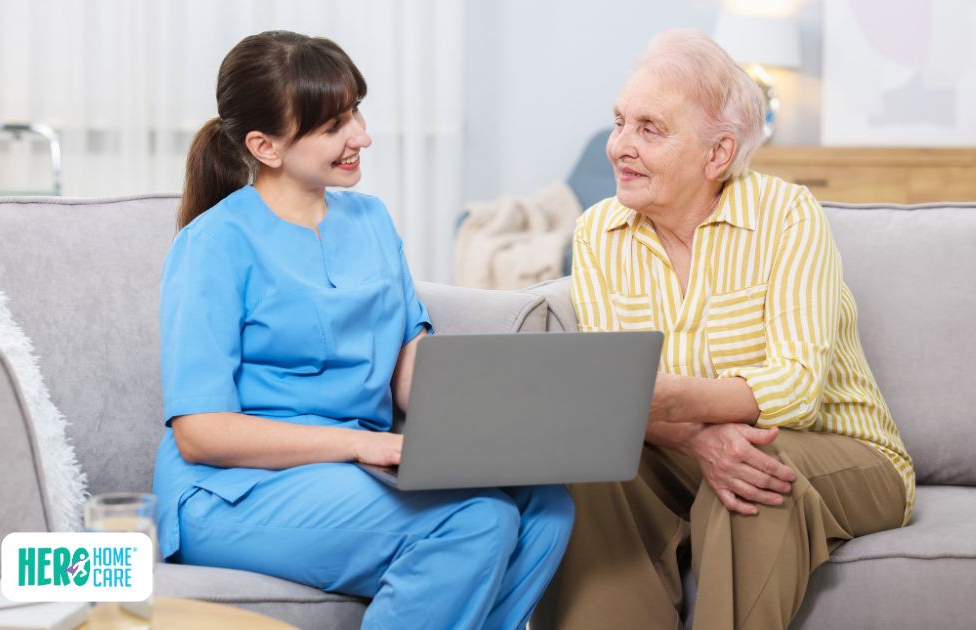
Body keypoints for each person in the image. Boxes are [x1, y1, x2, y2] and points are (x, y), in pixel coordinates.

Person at [153, 31, 573, 630]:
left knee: (547, 505)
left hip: (356, 470)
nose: (361, 137)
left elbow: (408, 368)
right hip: (234, 491)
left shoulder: (372, 220)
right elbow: (201, 432)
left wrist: (500, 424)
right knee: (477, 520)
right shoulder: (213, 245)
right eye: (333, 127)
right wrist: (358, 444)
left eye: (356, 113)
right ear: (264, 146)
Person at [542, 29, 914, 630]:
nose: (619, 147)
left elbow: (796, 389)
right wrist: (698, 438)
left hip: (844, 450)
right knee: (586, 470)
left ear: (718, 154)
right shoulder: (597, 234)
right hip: (682, 450)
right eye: (619, 123)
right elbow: (618, 399)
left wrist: (668, 399)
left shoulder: (788, 215)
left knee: (754, 476)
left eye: (649, 129)